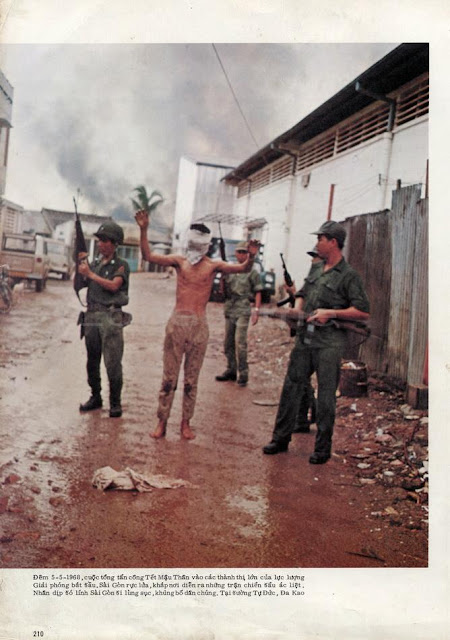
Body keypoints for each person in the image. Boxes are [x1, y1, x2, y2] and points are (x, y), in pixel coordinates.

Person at [135, 210, 260, 440]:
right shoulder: (179, 262)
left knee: (191, 380)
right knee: (169, 378)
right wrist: (144, 229)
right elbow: (148, 255)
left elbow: (242, 269)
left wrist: (251, 256)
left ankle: (185, 423)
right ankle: (162, 421)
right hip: (178, 321)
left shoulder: (212, 266)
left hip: (198, 324)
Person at [263, 220, 370, 464]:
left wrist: (331, 313)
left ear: (333, 242)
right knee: (292, 387)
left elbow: (363, 312)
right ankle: (280, 439)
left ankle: (322, 448)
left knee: (325, 396)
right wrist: (296, 311)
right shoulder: (316, 268)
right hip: (305, 338)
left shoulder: (349, 276)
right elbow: (303, 293)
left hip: (329, 342)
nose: (316, 243)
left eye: (320, 239)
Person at [78, 220, 130, 418]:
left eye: (104, 240)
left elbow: (114, 286)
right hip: (92, 314)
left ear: (114, 243)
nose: (100, 244)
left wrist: (90, 274)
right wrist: (82, 269)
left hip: (110, 316)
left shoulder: (121, 265)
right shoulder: (96, 264)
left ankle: (115, 403)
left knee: (112, 362)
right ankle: (96, 396)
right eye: (99, 240)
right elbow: (82, 284)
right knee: (92, 360)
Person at [215, 241, 263, 387]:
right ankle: (231, 369)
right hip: (230, 307)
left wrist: (256, 310)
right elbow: (222, 291)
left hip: (243, 307)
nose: (241, 255)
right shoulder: (229, 268)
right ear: (235, 253)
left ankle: (243, 373)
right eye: (239, 252)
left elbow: (258, 291)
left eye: (244, 252)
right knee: (228, 342)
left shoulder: (252, 271)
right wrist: (222, 279)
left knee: (240, 343)